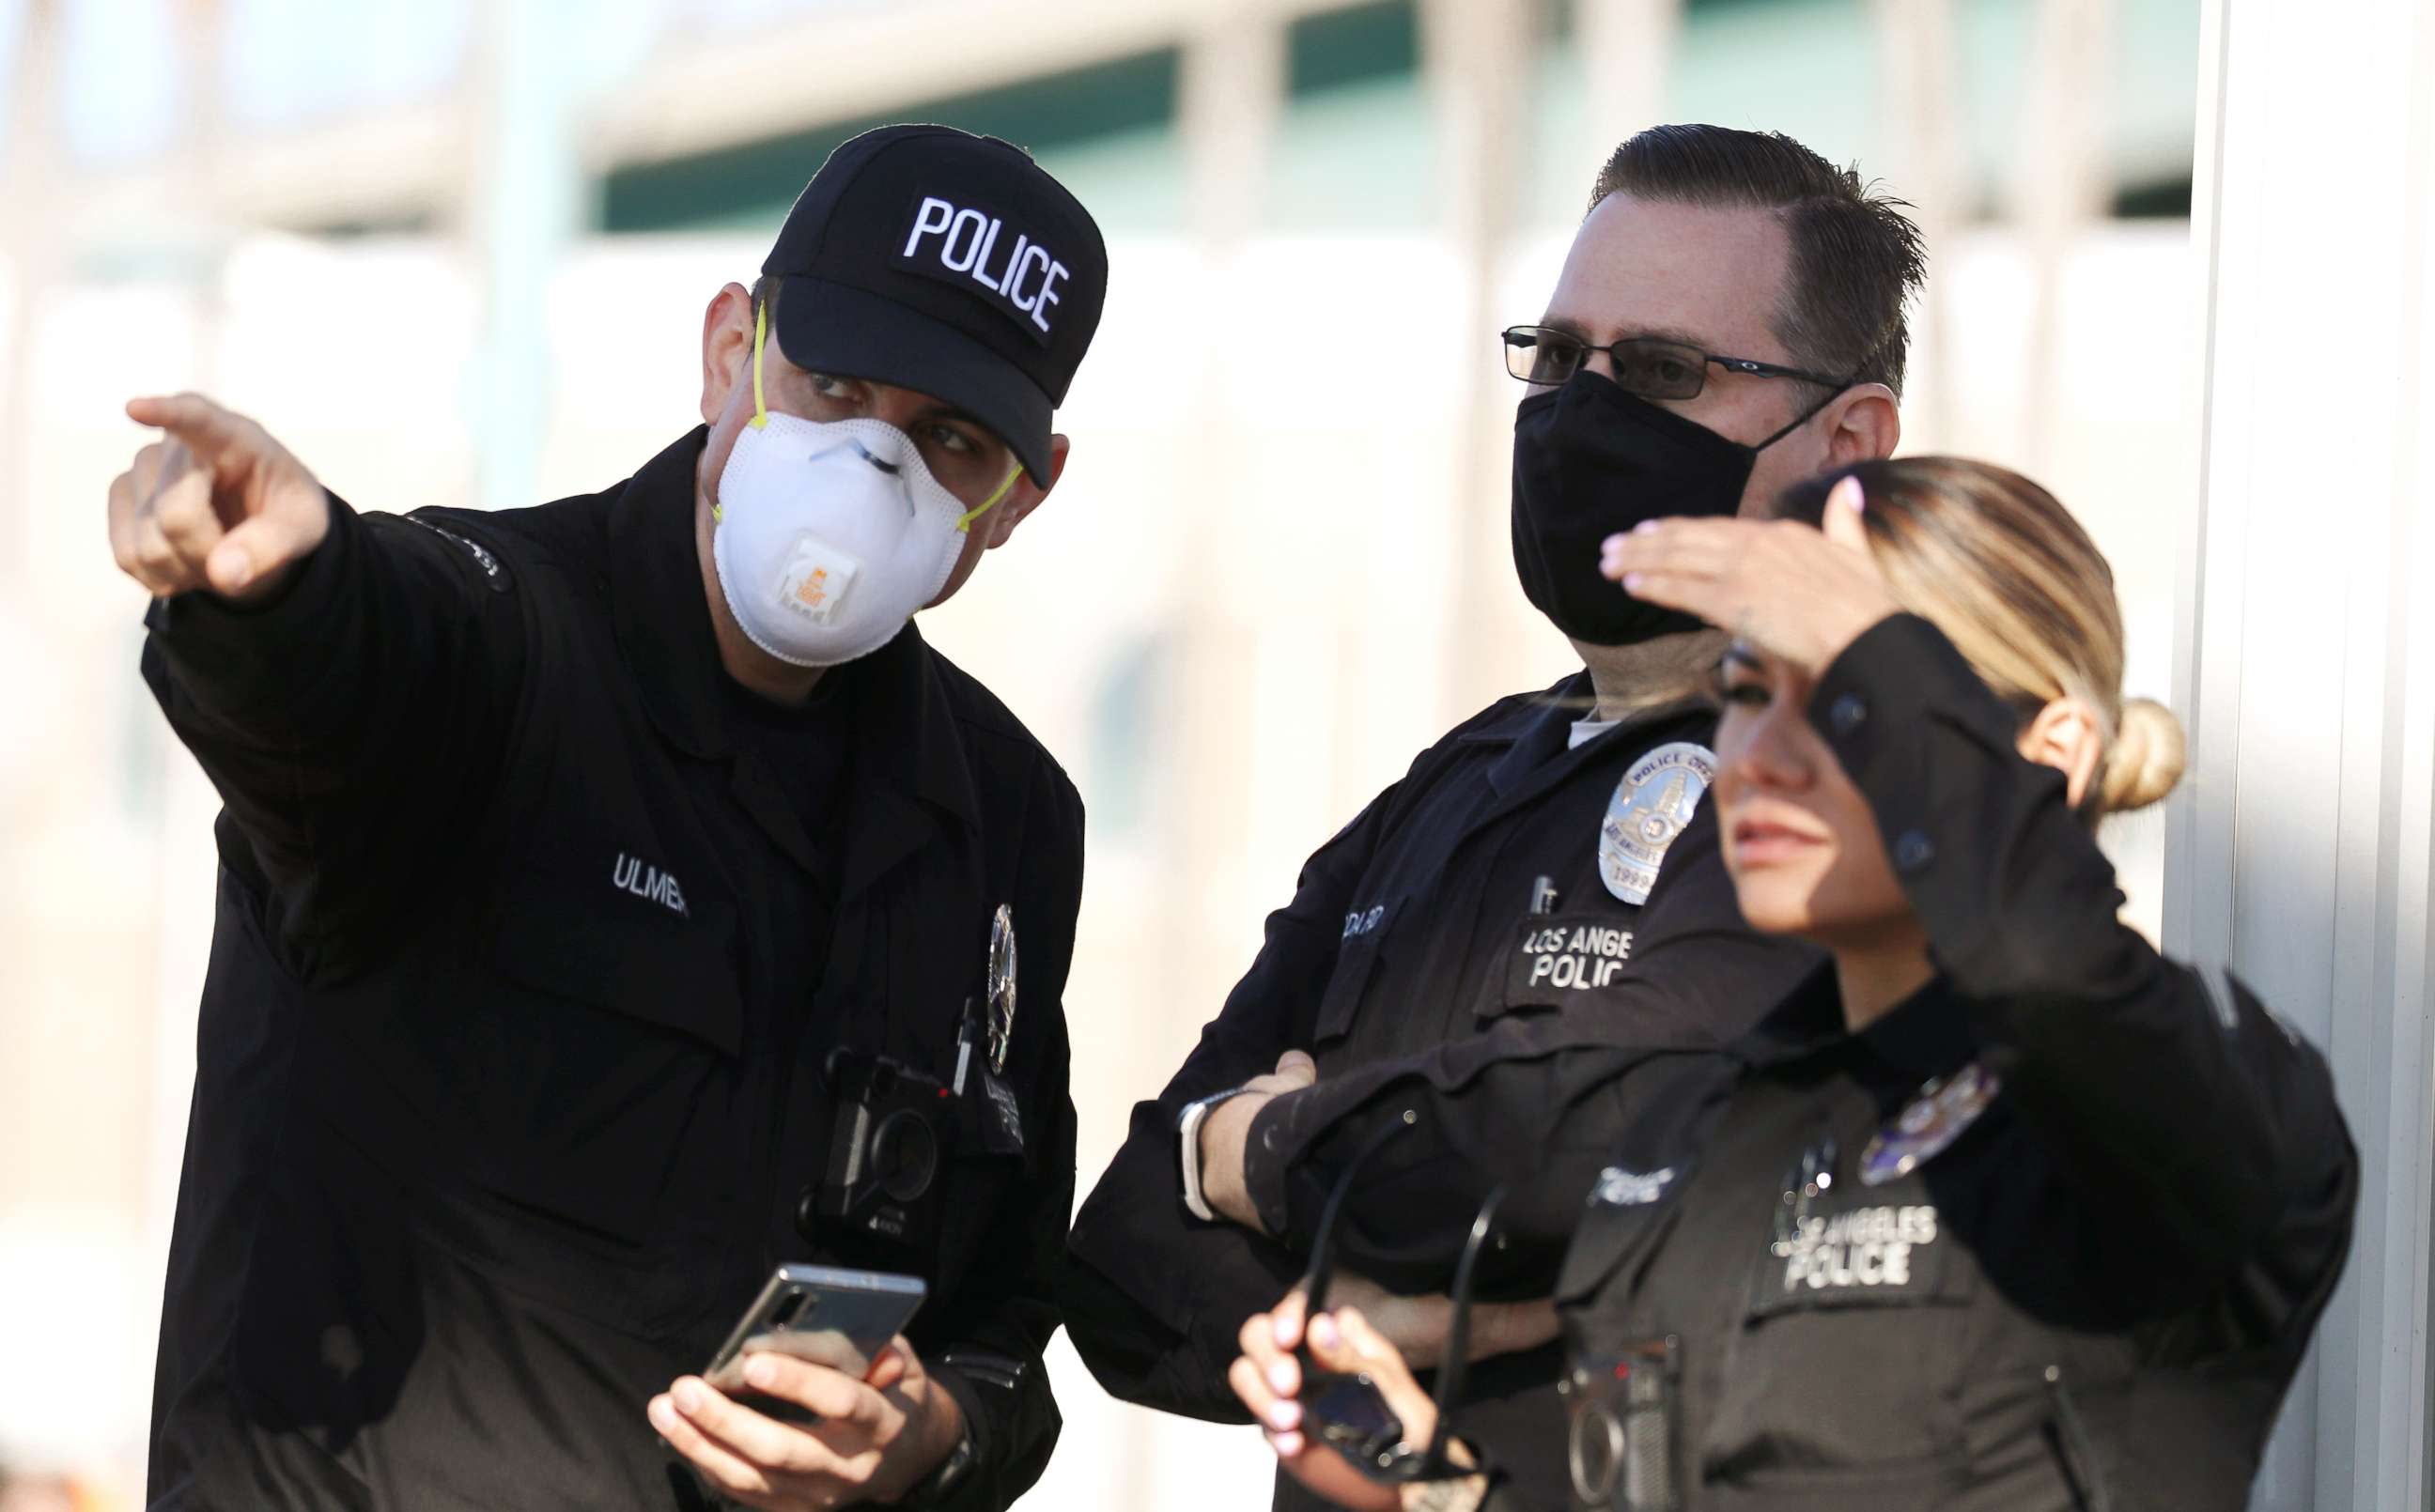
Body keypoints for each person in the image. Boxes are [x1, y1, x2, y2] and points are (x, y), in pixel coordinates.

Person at [116, 124, 1106, 1511]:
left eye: (950, 437)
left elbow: (1002, 1321)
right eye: (829, 385)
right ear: (729, 356)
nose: (872, 467)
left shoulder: (1002, 821)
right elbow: (354, 662)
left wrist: (925, 1437)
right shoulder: (508, 637)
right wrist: (271, 585)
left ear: (1019, 496)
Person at [1227, 457, 2359, 1511]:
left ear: (2049, 750)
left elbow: (2048, 968)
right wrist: (1432, 1477)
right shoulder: (1707, 1126)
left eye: (1841, 693)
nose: (1758, 751)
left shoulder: (2188, 1104)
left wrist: (1866, 639)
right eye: (1747, 686)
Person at [1062, 124, 1920, 1512]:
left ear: (1850, 443)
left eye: (1658, 372)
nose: (1584, 411)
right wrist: (1393, 1322)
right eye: (1560, 355)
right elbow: (1124, 1257)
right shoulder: (1455, 785)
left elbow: (1611, 1141)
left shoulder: (1853, 785)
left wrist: (1265, 1149)